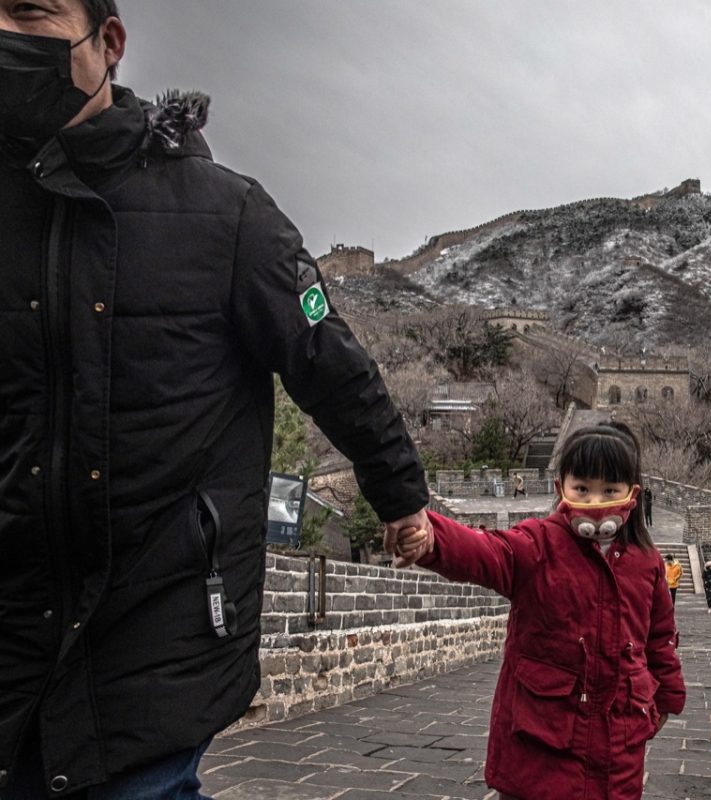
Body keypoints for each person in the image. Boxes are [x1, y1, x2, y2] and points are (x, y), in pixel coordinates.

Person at [0, 3, 429, 797]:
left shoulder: (226, 214)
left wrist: (400, 495)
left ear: (110, 41)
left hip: (155, 629)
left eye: (30, 10)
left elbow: (328, 361)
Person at [388, 425, 685, 800]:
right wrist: (432, 538)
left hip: (618, 753)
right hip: (541, 747)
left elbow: (659, 638)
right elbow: (486, 551)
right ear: (562, 489)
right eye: (582, 489)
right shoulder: (538, 545)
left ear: (632, 494)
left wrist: (666, 699)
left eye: (609, 490)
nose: (595, 501)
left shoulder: (646, 561)